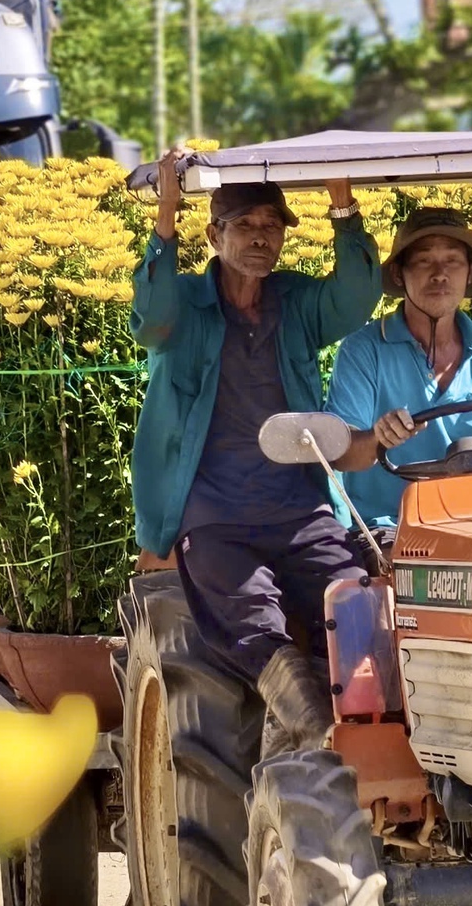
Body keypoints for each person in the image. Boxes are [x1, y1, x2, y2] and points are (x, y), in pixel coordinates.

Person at [130, 150, 382, 755]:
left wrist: (342, 202)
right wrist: (166, 213)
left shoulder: (295, 302)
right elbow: (152, 317)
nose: (260, 239)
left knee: (353, 600)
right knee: (250, 619)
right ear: (213, 234)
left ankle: (367, 734)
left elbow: (355, 298)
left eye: (272, 227)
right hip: (214, 514)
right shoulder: (187, 305)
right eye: (244, 226)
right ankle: (318, 730)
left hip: (298, 506)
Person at [325, 207, 472, 525]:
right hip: (391, 530)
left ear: (469, 272)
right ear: (399, 273)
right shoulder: (363, 350)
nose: (440, 274)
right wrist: (379, 437)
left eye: (452, 260)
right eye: (424, 260)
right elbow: (342, 454)